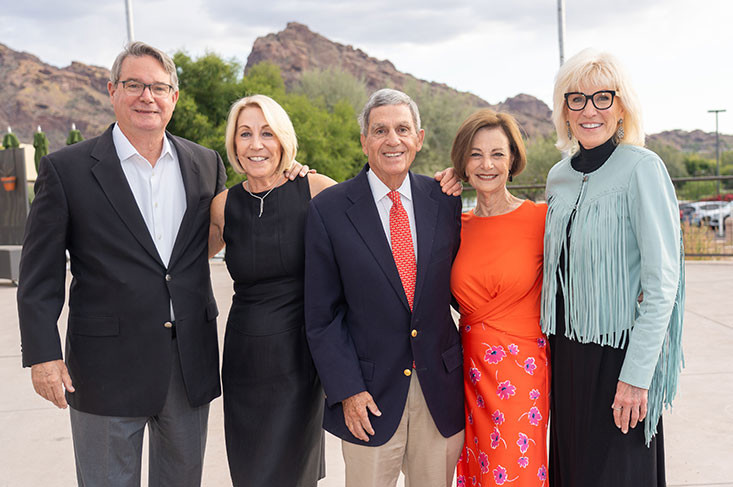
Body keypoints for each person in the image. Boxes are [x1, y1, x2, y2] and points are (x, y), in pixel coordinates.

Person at [15, 42, 304, 487]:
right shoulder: (66, 170)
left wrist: (291, 173)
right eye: (134, 85)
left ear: (174, 97)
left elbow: (247, 210)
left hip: (188, 366)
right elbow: (39, 274)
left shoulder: (205, 164)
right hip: (105, 369)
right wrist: (43, 355)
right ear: (112, 90)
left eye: (158, 87)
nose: (146, 97)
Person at [304, 88, 464, 487]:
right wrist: (348, 391)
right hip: (368, 397)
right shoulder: (329, 209)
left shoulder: (444, 200)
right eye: (380, 131)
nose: (393, 140)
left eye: (402, 129)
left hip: (438, 391)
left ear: (419, 138)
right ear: (364, 141)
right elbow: (322, 316)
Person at [541, 49, 684, 486]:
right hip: (567, 356)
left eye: (602, 97)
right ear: (564, 110)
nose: (589, 110)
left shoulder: (643, 168)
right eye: (577, 99)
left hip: (619, 357)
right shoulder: (558, 177)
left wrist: (637, 377)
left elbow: (662, 284)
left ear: (621, 106)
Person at [208, 94, 336, 486]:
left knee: (295, 473)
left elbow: (373, 223)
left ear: (283, 140)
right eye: (245, 133)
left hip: (300, 358)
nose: (256, 144)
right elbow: (176, 261)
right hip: (244, 359)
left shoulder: (315, 189)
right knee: (250, 472)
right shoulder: (223, 205)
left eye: (267, 133)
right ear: (233, 144)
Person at [449, 109, 550, 486]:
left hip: (521, 373)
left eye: (497, 154)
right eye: (475, 154)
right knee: (476, 471)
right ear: (463, 163)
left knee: (512, 470)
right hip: (468, 372)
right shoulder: (454, 226)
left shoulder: (540, 219)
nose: (486, 165)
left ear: (513, 160)